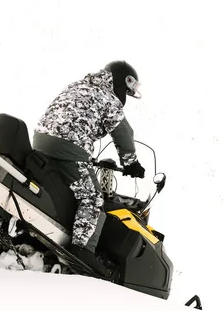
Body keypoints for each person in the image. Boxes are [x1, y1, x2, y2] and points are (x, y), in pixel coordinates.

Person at [32, 60, 145, 275]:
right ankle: (82, 251)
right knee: (93, 198)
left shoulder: (79, 85)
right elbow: (123, 133)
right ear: (122, 82)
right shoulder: (108, 97)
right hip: (68, 146)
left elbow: (72, 118)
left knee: (65, 190)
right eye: (126, 91)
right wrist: (132, 164)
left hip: (41, 141)